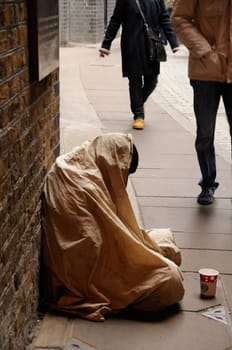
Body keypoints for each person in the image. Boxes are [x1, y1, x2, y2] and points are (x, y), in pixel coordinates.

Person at [41, 133, 184, 321]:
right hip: (90, 273)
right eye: (122, 173)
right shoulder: (84, 185)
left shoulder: (79, 161)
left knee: (165, 240)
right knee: (170, 281)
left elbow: (112, 229)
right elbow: (95, 248)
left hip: (99, 253)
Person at [171, 1, 232, 205]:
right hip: (206, 69)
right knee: (205, 133)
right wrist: (205, 51)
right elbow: (179, 18)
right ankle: (208, 182)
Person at [99, 0, 180, 130]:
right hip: (132, 45)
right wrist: (106, 44)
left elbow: (164, 18)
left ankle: (138, 103)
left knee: (152, 81)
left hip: (151, 46)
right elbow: (116, 20)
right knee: (135, 80)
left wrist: (173, 42)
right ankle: (138, 116)